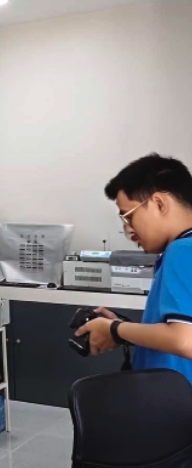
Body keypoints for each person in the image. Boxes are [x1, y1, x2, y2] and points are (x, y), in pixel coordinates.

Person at [77, 154, 192, 381]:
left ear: (159, 203)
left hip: (177, 405)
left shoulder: (182, 251)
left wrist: (113, 330)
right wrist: (124, 331)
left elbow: (184, 340)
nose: (129, 231)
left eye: (129, 217)